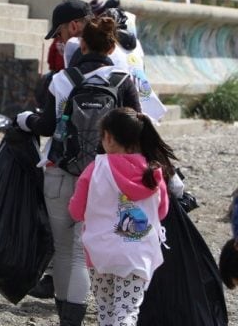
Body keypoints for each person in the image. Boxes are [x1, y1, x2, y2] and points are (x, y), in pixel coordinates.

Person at [16, 17, 141, 326]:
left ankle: (66, 320)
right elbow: (136, 131)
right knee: (82, 255)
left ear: (82, 44)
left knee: (63, 250)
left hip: (61, 172)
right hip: (106, 179)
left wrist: (23, 120)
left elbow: (46, 126)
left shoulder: (61, 79)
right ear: (112, 46)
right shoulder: (124, 80)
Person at [69, 107, 172, 326]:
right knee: (126, 312)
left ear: (107, 136)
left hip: (99, 254)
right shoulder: (153, 171)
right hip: (137, 254)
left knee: (105, 311)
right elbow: (162, 211)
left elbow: (76, 212)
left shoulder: (95, 168)